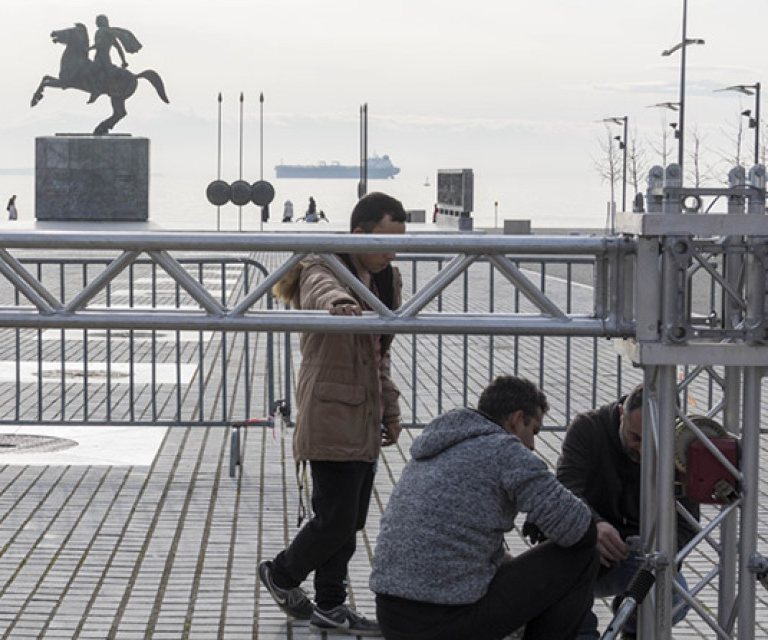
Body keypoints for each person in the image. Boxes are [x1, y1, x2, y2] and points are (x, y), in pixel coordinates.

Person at [258, 192, 408, 637]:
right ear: (358, 234)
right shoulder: (322, 266)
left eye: (399, 243)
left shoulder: (387, 281)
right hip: (330, 410)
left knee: (351, 519)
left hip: (364, 415)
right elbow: (324, 291)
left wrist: (391, 409)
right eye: (385, 242)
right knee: (336, 517)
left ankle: (330, 605)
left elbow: (380, 354)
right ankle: (282, 574)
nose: (392, 253)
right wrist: (337, 306)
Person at [371, 375, 599, 640]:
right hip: (443, 624)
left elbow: (452, 537)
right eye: (533, 430)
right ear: (516, 419)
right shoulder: (505, 450)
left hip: (391, 617)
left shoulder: (439, 445)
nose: (533, 445)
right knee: (584, 555)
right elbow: (580, 530)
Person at [555, 384, 698, 639]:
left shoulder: (679, 448)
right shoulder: (588, 428)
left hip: (638, 556)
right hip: (582, 549)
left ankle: (633, 627)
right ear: (621, 413)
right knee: (563, 591)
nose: (643, 450)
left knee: (672, 601)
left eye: (654, 441)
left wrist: (661, 554)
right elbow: (564, 491)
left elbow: (687, 525)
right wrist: (592, 526)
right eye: (636, 437)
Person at [86, 14, 140, 104]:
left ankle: (95, 91)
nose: (96, 23)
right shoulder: (110, 33)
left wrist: (87, 49)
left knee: (88, 72)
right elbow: (119, 48)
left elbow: (99, 45)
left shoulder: (100, 32)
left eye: (97, 21)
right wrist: (123, 61)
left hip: (100, 59)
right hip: (107, 59)